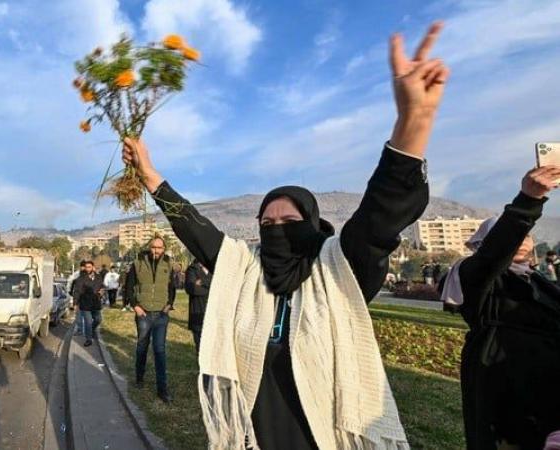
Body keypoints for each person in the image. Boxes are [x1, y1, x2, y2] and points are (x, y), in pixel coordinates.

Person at [122, 21, 448, 448]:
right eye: (267, 225)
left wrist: (413, 120)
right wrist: (151, 178)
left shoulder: (339, 268)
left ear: (313, 226)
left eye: (290, 224)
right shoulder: (246, 270)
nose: (277, 231)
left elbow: (380, 214)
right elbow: (197, 230)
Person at [439, 166, 560, 450]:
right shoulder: (476, 277)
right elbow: (494, 254)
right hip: (507, 387)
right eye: (514, 235)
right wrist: (528, 201)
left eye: (527, 235)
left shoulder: (539, 279)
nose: (522, 239)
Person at [124, 237, 177, 403]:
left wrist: (169, 305)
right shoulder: (138, 262)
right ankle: (139, 378)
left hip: (161, 314)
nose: (156, 251)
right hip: (144, 313)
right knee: (142, 347)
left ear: (164, 248)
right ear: (149, 247)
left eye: (160, 248)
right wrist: (135, 306)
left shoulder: (168, 263)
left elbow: (172, 288)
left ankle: (162, 389)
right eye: (154, 247)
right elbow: (129, 286)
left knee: (159, 350)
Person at [72, 261, 104, 347]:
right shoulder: (81, 279)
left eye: (89, 267)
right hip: (85, 304)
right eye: (86, 267)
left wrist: (102, 291)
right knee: (88, 322)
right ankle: (88, 339)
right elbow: (77, 291)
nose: (88, 269)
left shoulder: (99, 277)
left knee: (98, 319)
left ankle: (92, 330)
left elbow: (102, 286)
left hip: (96, 303)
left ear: (93, 267)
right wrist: (75, 303)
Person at [184, 260, 212, 352]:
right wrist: (212, 287)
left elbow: (222, 286)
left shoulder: (215, 268)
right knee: (201, 350)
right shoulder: (192, 269)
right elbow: (192, 289)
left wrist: (202, 282)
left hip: (214, 316)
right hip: (197, 314)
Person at [67, 261, 86, 335]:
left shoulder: (89, 274)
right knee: (79, 315)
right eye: (82, 266)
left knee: (84, 315)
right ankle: (80, 329)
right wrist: (70, 292)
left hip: (85, 298)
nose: (83, 268)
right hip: (78, 298)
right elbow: (70, 282)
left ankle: (83, 329)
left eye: (84, 266)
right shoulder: (76, 274)